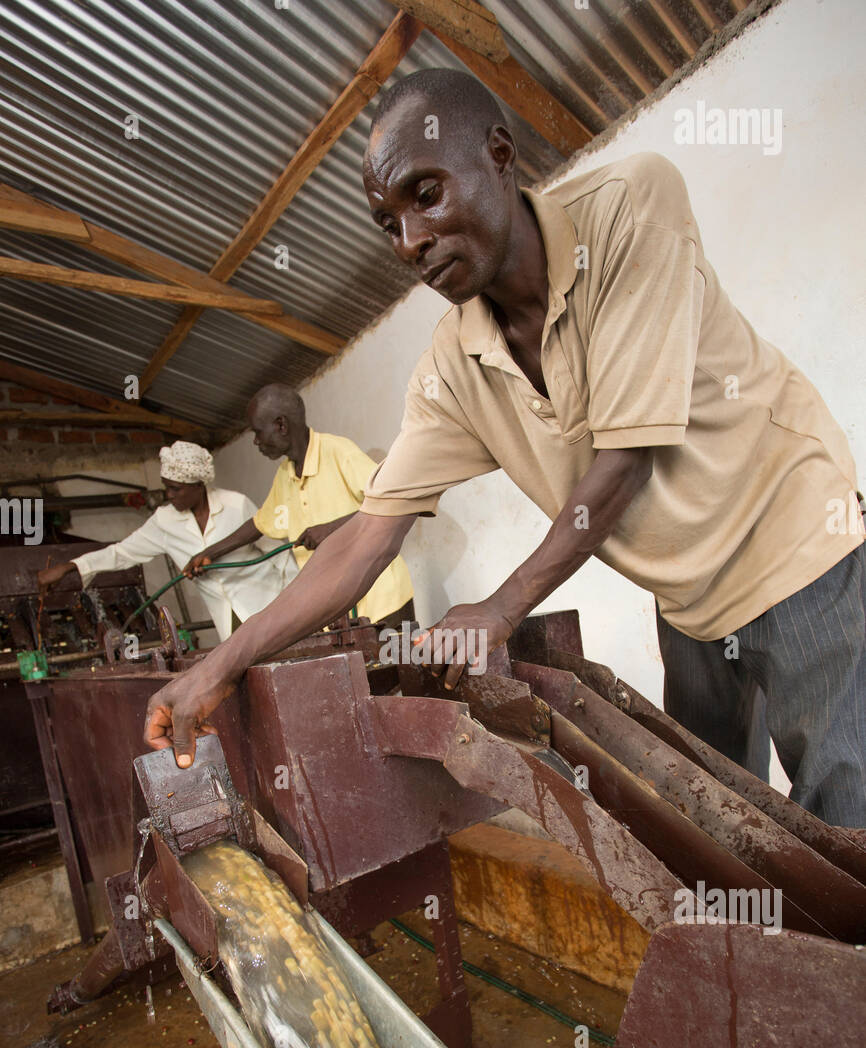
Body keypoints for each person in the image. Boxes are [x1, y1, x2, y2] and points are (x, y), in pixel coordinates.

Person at [144, 70, 866, 833]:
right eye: (387, 224)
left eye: (425, 195)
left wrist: (502, 605)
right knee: (722, 823)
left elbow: (625, 462)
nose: (412, 241)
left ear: (498, 154)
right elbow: (364, 538)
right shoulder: (454, 366)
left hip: (795, 548)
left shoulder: (628, 209)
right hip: (689, 606)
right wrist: (214, 670)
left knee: (850, 817)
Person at [184, 385, 414, 630]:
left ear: (281, 425)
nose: (255, 441)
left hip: (383, 601)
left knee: (401, 666)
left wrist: (332, 528)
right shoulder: (285, 474)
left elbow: (395, 499)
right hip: (335, 612)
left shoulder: (337, 451)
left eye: (258, 432)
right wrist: (209, 554)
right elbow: (258, 524)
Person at [38, 441, 287, 641]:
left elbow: (279, 553)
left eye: (176, 488)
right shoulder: (165, 521)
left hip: (272, 605)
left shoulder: (236, 504)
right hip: (230, 623)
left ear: (198, 485)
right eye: (166, 487)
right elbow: (122, 552)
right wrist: (70, 567)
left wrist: (305, 601)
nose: (169, 495)